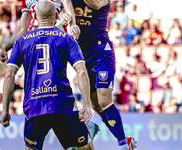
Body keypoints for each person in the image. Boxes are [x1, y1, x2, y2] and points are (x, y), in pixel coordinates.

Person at [0, 1, 95, 150]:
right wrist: (87, 106)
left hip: (34, 105)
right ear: (56, 15)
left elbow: (9, 75)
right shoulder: (66, 38)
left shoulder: (21, 42)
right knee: (86, 148)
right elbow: (82, 71)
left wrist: (5, 110)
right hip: (62, 104)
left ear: (35, 17)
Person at [59, 0, 137, 149]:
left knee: (104, 100)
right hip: (82, 52)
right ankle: (122, 138)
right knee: (95, 103)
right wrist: (62, 15)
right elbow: (61, 9)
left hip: (101, 50)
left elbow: (96, 5)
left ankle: (122, 142)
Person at [0, 0, 80, 63]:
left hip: (56, 37)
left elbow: (67, 2)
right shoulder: (26, 1)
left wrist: (73, 24)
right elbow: (22, 28)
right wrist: (5, 48)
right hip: (35, 40)